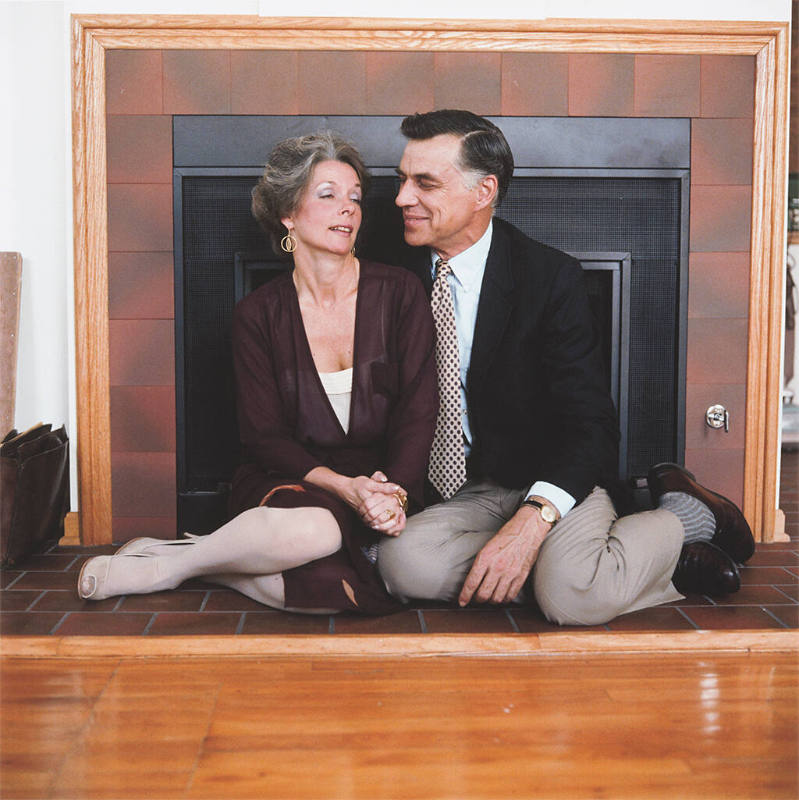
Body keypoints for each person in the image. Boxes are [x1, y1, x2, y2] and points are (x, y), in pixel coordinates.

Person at [378, 109, 755, 625]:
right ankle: (611, 566)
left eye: (424, 183)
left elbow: (591, 424)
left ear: (483, 191)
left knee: (570, 597)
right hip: (477, 489)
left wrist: (532, 522)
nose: (401, 198)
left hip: (553, 475)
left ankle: (685, 518)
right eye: (402, 180)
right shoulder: (392, 273)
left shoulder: (549, 278)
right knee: (401, 565)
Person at [78, 131, 438, 615]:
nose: (348, 208)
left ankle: (193, 559)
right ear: (288, 214)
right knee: (317, 530)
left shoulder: (401, 292)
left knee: (338, 588)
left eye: (354, 197)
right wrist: (340, 486)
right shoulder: (258, 313)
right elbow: (264, 436)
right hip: (294, 482)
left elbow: (419, 408)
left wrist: (390, 493)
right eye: (328, 195)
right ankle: (167, 567)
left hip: (379, 483)